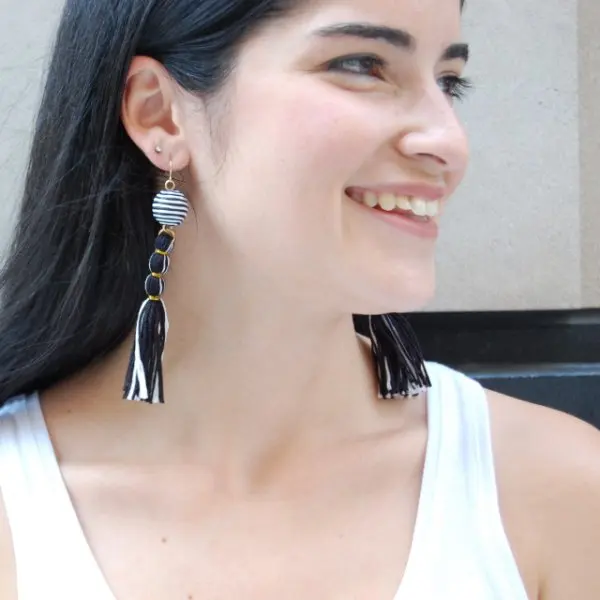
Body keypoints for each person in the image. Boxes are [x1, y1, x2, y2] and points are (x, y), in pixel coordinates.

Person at [0, 0, 599, 597]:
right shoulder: (16, 504)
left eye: (448, 82)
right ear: (160, 114)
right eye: (362, 65)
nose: (449, 142)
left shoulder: (555, 491)